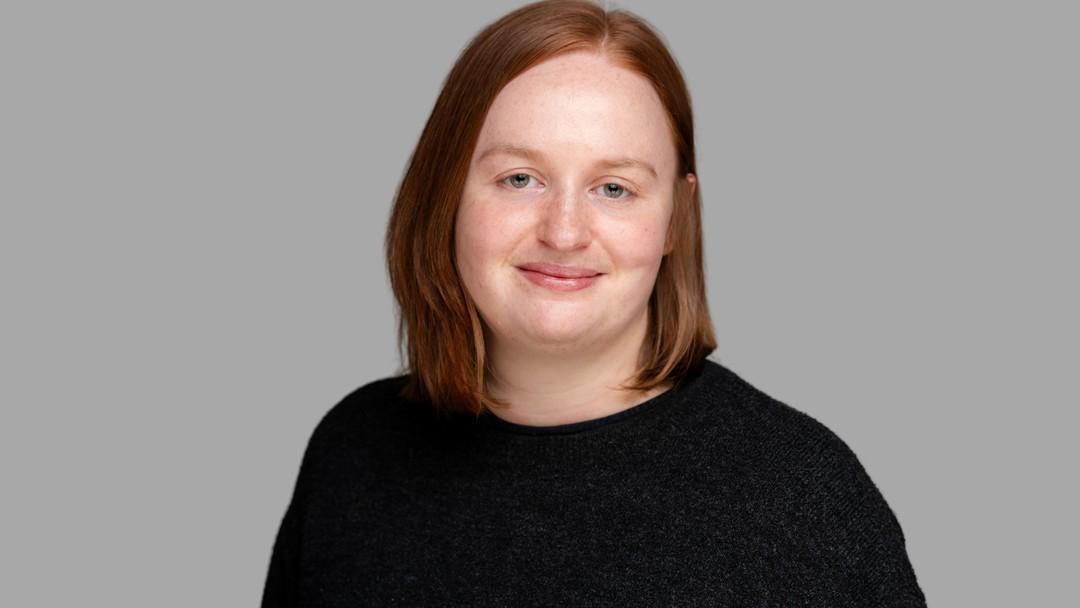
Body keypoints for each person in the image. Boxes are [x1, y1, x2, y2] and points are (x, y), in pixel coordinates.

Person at [261, 1, 927, 605]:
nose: (564, 232)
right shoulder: (352, 455)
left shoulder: (801, 500)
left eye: (614, 188)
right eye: (519, 178)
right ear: (447, 196)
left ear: (676, 218)